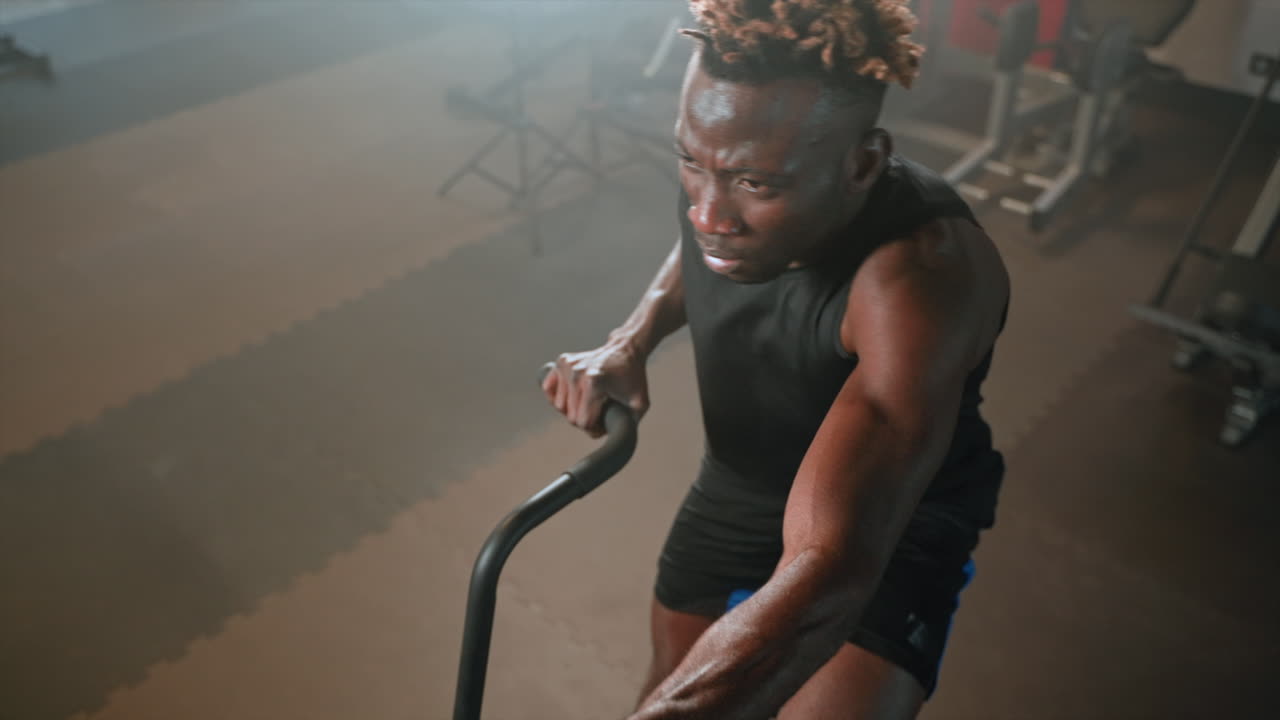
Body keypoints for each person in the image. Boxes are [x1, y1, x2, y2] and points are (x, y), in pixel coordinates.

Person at [541, 1, 1010, 717]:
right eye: (691, 164)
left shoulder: (917, 279)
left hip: (891, 521)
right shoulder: (724, 161)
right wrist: (631, 338)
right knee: (672, 680)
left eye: (758, 185)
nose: (709, 213)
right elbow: (698, 242)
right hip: (743, 478)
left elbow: (830, 567)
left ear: (863, 163)